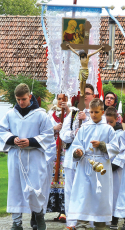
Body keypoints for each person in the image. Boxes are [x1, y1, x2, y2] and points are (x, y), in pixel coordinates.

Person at [0, 83, 55, 230]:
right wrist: (13, 139)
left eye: (23, 99)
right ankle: (16, 223)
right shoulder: (10, 115)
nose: (21, 102)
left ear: (30, 97)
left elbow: (48, 135)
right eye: (18, 99)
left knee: (36, 188)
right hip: (16, 157)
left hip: (35, 157)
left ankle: (39, 217)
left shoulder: (41, 115)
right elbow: (2, 131)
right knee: (15, 189)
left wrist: (31, 141)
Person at [68, 99, 120, 230]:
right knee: (83, 194)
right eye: (91, 112)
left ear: (102, 112)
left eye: (96, 112)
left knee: (100, 196)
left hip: (101, 166)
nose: (94, 114)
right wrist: (77, 152)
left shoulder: (108, 129)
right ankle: (82, 223)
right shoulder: (84, 128)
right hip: (85, 165)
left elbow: (115, 147)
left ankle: (100, 223)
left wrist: (102, 145)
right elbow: (76, 145)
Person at [60, 84, 96, 230]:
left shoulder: (96, 114)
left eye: (88, 93)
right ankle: (72, 222)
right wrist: (74, 134)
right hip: (71, 158)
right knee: (70, 190)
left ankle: (89, 221)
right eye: (83, 94)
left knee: (89, 189)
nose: (85, 96)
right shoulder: (73, 114)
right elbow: (63, 134)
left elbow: (99, 132)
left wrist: (87, 119)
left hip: (89, 159)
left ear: (93, 96)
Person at [46, 94, 71, 222]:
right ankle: (54, 209)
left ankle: (64, 211)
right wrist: (54, 128)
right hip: (54, 150)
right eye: (60, 99)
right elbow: (44, 130)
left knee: (64, 179)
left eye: (64, 99)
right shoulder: (51, 114)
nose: (62, 101)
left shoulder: (72, 113)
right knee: (53, 179)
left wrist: (67, 111)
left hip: (66, 150)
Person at [105, 106, 125, 230]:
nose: (108, 124)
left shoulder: (120, 134)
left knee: (115, 194)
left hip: (115, 168)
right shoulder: (103, 132)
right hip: (104, 168)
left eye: (111, 122)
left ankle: (114, 219)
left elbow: (122, 152)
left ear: (117, 120)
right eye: (106, 122)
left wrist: (114, 165)